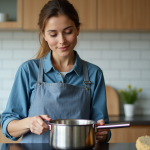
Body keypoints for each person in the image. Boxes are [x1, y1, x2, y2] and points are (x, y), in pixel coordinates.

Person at [1, 0, 111, 143]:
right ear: (44, 35)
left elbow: (103, 128)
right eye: (53, 34)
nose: (62, 41)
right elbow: (7, 127)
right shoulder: (28, 70)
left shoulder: (94, 73)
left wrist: (103, 133)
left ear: (78, 29)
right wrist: (29, 123)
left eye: (68, 32)